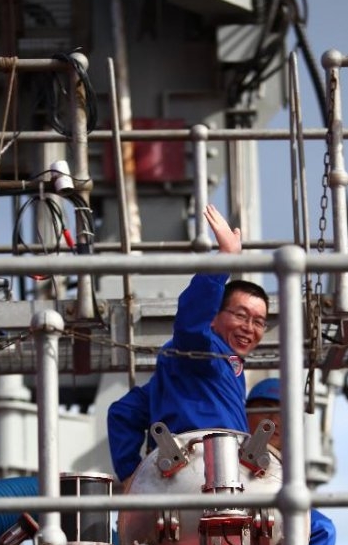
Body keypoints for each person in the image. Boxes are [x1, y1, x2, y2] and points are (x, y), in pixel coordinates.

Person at [108, 204, 269, 483]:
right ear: (213, 317)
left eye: (259, 322)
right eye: (241, 316)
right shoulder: (205, 353)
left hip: (188, 480)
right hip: (210, 476)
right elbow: (191, 321)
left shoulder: (176, 381)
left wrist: (131, 477)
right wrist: (224, 260)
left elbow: (123, 412)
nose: (249, 328)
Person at [246, 377, 336, 545]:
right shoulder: (223, 447)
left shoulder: (288, 467)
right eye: (265, 409)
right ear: (245, 413)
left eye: (284, 414)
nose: (274, 421)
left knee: (322, 528)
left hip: (273, 515)